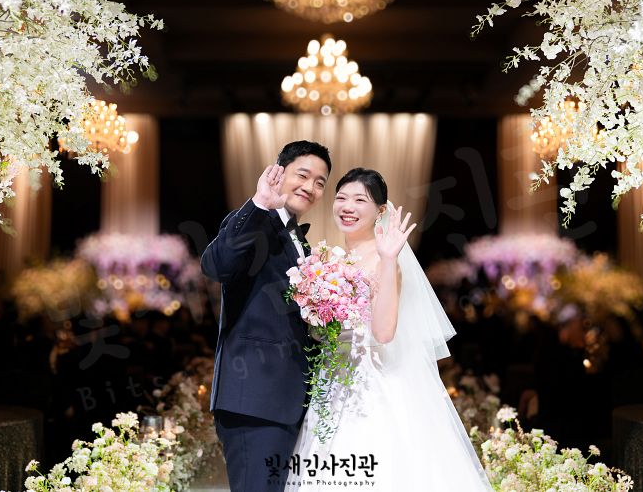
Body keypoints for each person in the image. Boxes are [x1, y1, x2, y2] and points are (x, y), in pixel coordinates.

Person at [284, 168, 493, 491]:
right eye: (341, 198)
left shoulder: (386, 260)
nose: (347, 207)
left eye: (360, 200)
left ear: (380, 210)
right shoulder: (329, 259)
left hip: (370, 382)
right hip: (332, 379)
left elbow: (383, 333)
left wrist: (387, 258)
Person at [201, 140, 331, 492]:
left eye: (320, 182)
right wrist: (259, 203)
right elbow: (216, 265)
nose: (310, 186)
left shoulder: (300, 241)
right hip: (255, 401)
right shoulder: (256, 221)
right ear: (278, 172)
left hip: (288, 402)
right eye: (302, 175)